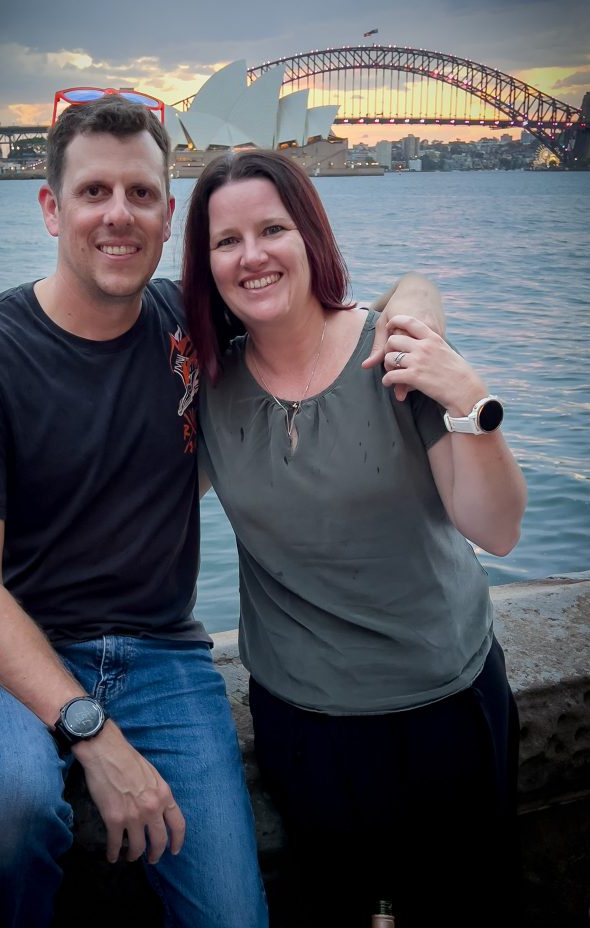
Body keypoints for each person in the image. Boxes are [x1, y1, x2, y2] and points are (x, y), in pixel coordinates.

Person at [0, 94, 442, 928]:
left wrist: (418, 305)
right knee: (9, 816)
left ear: (166, 216)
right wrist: (92, 733)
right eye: (93, 193)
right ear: (51, 208)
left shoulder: (189, 321)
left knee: (231, 912)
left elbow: (325, 298)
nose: (118, 216)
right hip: (6, 651)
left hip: (161, 652)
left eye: (141, 194)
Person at [181, 149, 528, 928]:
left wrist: (470, 396)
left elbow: (497, 529)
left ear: (310, 234)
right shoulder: (209, 389)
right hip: (303, 724)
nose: (253, 255)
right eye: (227, 241)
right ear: (206, 266)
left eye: (273, 228)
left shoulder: (393, 356)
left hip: (445, 705)